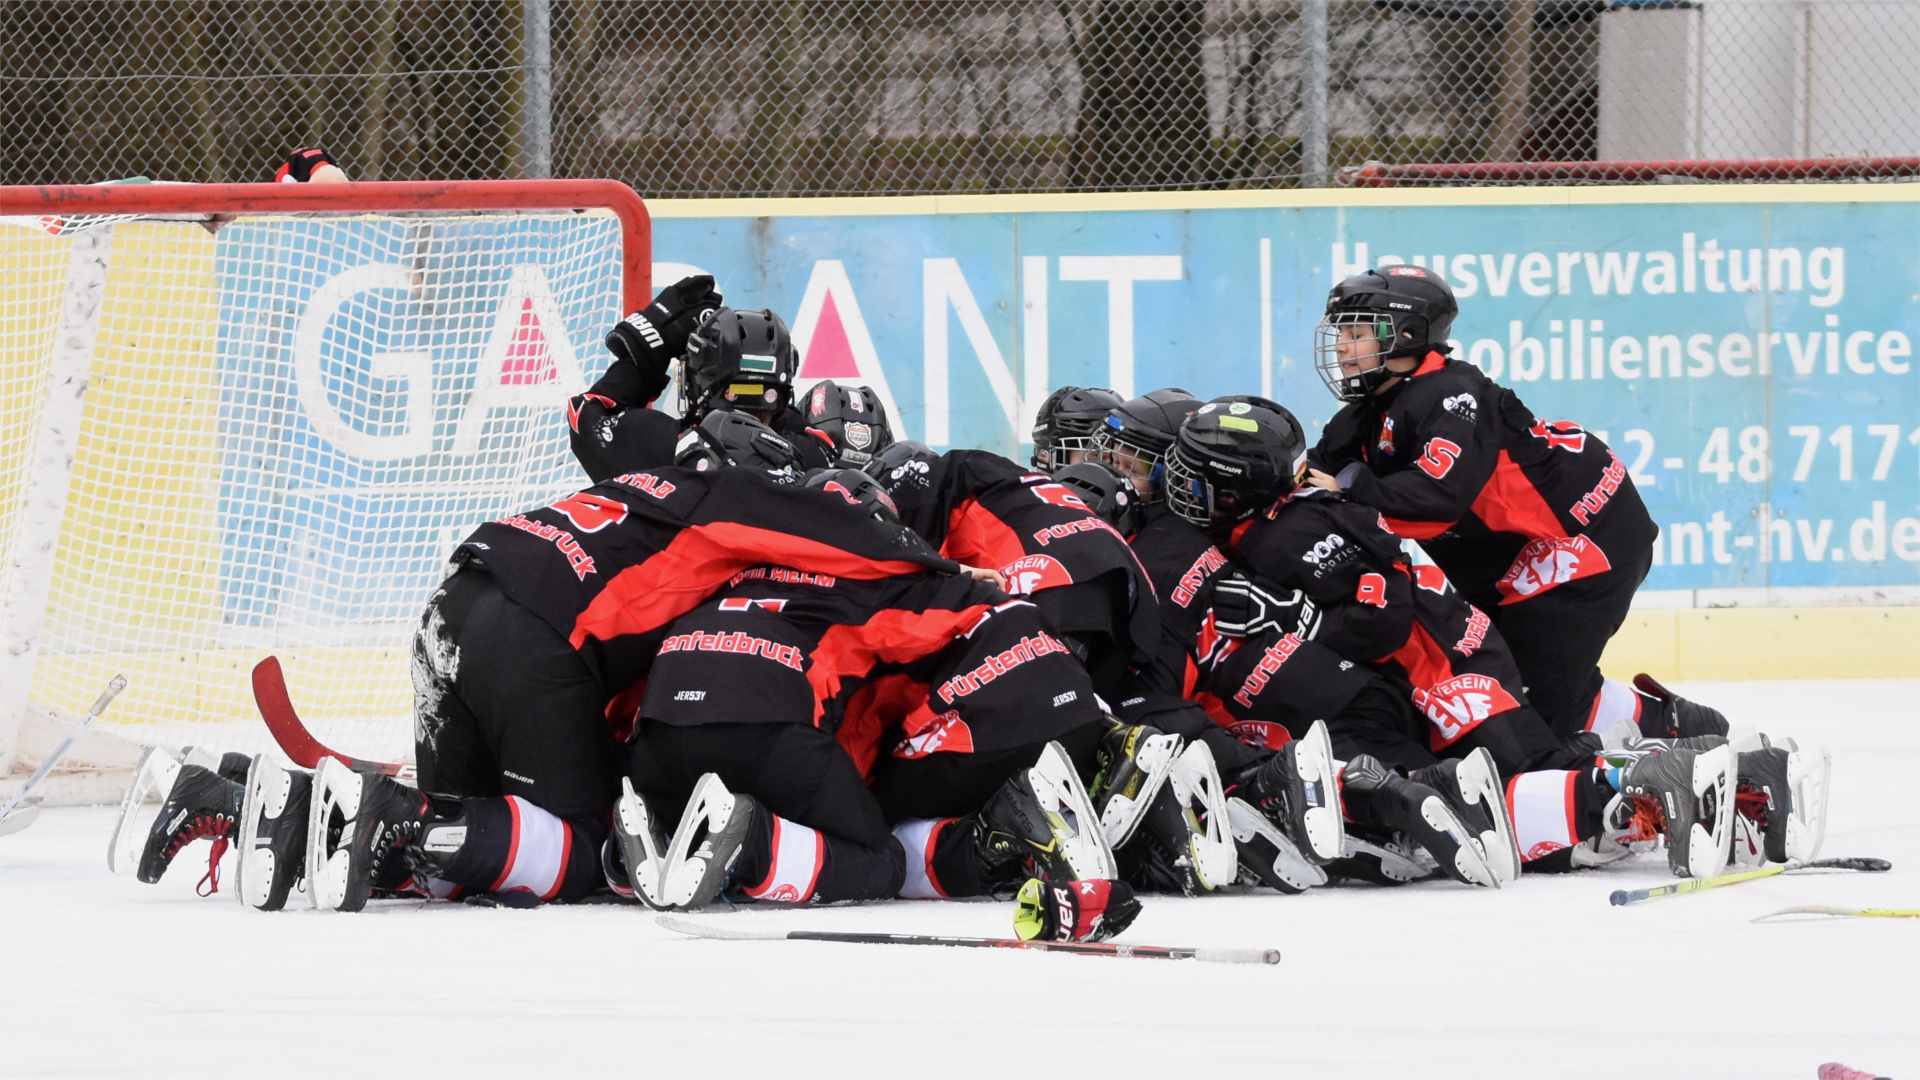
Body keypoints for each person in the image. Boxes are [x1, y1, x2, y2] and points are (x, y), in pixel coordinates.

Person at [1166, 395, 1743, 881]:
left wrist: (1299, 617)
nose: (1178, 481)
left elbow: (1384, 618)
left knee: (1514, 802)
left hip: (1445, 674)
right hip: (1454, 657)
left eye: (1193, 471)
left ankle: (1672, 785)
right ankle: (1679, 769)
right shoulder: (1286, 515)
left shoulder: (1284, 534)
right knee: (1535, 775)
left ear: (1237, 485)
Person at [1303, 266, 1726, 748]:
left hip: (1584, 547)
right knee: (1502, 685)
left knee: (1528, 716)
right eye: (1341, 333)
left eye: (1357, 334)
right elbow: (1309, 473)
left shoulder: (1450, 394)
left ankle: (1648, 754)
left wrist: (1348, 491)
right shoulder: (1366, 415)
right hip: (1517, 562)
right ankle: (1672, 720)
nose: (1340, 347)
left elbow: (1435, 502)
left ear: (1406, 334)